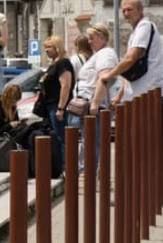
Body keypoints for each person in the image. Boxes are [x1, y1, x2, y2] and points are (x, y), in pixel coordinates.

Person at [68, 23, 119, 173]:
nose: (88, 42)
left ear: (102, 38)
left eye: (91, 38)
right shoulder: (98, 55)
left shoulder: (106, 54)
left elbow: (104, 78)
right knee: (87, 141)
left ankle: (89, 172)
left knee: (91, 141)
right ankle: (86, 171)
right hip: (86, 104)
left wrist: (95, 103)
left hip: (93, 105)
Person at [101, 0, 163, 98]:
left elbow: (130, 59)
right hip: (139, 92)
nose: (126, 14)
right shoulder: (135, 32)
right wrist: (119, 95)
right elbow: (129, 66)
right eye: (123, 11)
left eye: (130, 10)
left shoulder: (144, 26)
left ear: (141, 10)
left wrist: (110, 75)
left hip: (149, 92)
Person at [37, 35, 74, 176]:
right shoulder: (53, 64)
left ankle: (65, 167)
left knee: (62, 137)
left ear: (57, 48)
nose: (46, 50)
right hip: (49, 106)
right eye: (45, 47)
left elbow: (65, 86)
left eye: (50, 47)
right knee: (56, 136)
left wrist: (61, 108)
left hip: (57, 106)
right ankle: (59, 166)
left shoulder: (62, 63)